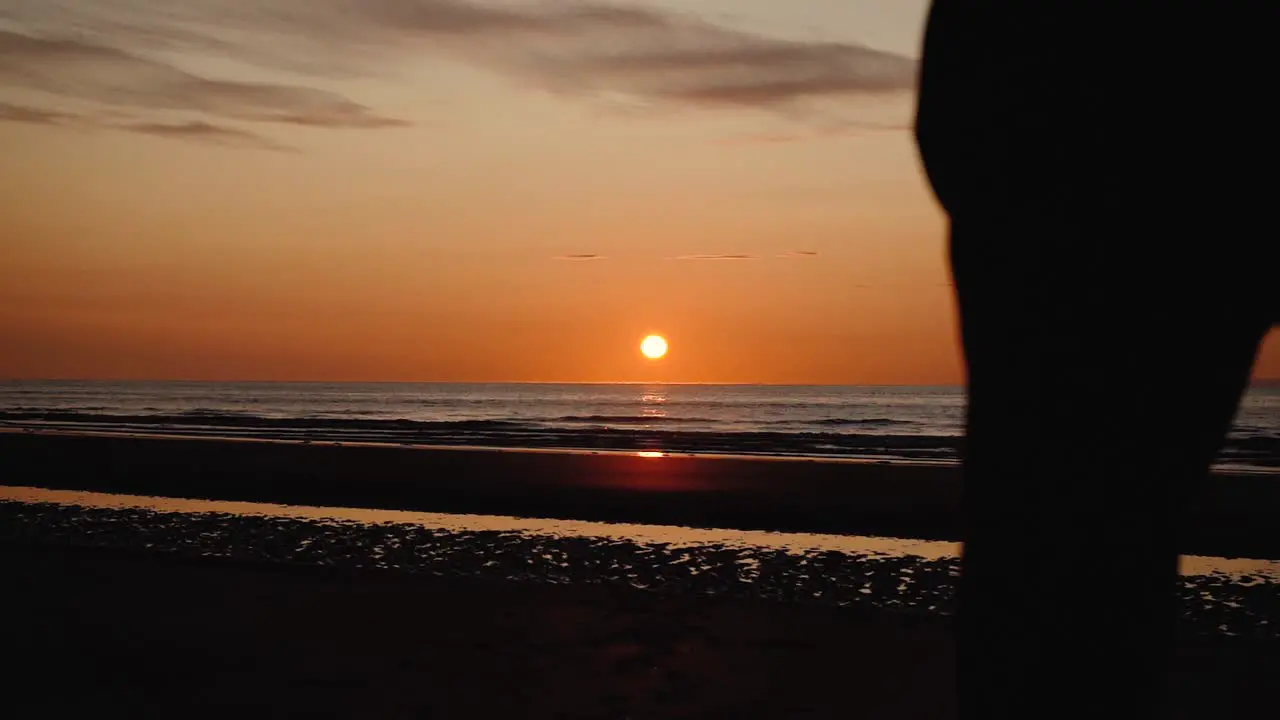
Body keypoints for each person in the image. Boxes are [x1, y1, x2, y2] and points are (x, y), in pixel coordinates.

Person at [913, 3, 1275, 717]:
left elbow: (952, 106)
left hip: (1122, 240)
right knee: (1085, 537)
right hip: (1079, 243)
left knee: (1074, 537)